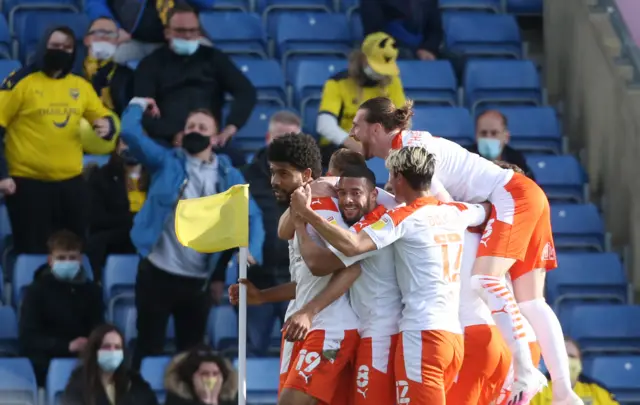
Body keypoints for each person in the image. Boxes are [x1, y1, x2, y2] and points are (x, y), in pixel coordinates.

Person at [349, 96, 578, 405]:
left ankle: (527, 372)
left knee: (484, 280)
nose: (352, 133)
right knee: (533, 301)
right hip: (524, 195)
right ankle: (563, 391)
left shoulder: (409, 152)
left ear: (376, 128)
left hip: (512, 196)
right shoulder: (414, 146)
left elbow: (434, 206)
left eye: (356, 126)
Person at [291, 146, 491, 405]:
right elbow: (486, 209)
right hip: (452, 336)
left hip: (419, 335)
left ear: (398, 177)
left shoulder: (402, 218)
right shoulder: (456, 211)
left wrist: (305, 214)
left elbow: (351, 246)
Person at [119, 97, 264, 369]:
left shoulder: (227, 174)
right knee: (147, 348)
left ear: (215, 136)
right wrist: (138, 105)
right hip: (156, 274)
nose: (195, 131)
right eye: (190, 126)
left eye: (202, 127)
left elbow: (252, 215)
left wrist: (252, 250)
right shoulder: (165, 161)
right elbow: (129, 132)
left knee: (191, 357)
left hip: (198, 282)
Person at [228, 133, 359, 405]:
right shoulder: (300, 206)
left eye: (283, 173)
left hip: (330, 327)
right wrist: (262, 296)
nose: (275, 180)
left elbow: (352, 268)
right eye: (273, 172)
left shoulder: (325, 211)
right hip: (302, 325)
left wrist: (309, 312)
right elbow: (307, 280)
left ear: (307, 174)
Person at [0, 26, 119, 254]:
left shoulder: (80, 86)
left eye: (67, 47)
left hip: (71, 184)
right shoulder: (18, 83)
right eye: (55, 46)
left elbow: (102, 115)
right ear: (43, 46)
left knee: (73, 250)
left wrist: (107, 126)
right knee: (33, 252)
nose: (61, 51)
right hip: (28, 185)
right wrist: (2, 174)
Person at [293, 164, 401, 405]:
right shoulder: (358, 226)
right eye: (342, 193)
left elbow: (318, 264)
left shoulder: (375, 228)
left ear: (374, 194)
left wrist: (303, 219)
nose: (348, 200)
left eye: (356, 193)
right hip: (365, 332)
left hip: (381, 334)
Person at [134, 4, 256, 147]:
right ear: (167, 33)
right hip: (166, 144)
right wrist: (171, 134)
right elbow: (140, 107)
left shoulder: (214, 58)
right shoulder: (150, 64)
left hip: (210, 142)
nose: (187, 36)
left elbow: (246, 91)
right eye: (180, 31)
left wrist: (231, 127)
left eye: (192, 31)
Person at [237, 111, 302, 355]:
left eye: (291, 139)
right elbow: (231, 220)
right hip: (256, 277)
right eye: (279, 138)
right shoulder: (244, 175)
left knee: (300, 353)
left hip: (297, 278)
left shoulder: (311, 177)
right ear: (267, 138)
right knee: (251, 352)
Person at [19, 230, 104, 385]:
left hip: (84, 360)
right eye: (61, 258)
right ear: (50, 261)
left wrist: (90, 343)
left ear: (80, 260)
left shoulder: (92, 291)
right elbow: (28, 337)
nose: (67, 262)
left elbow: (98, 326)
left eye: (72, 258)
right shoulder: (36, 291)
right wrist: (66, 346)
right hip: (46, 362)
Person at [316, 32, 405, 166]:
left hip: (379, 148)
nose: (381, 74)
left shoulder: (393, 82)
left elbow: (401, 122)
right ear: (362, 59)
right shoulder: (337, 82)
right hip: (341, 148)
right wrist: (354, 144)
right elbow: (324, 125)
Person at [86, 138, 148, 277]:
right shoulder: (102, 176)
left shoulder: (157, 176)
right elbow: (96, 218)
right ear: (117, 147)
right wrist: (133, 219)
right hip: (115, 237)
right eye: (126, 142)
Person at [85, 0, 214, 64]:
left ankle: (202, 113)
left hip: (180, 38)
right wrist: (113, 27)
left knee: (206, 54)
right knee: (101, 54)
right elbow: (94, 2)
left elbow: (208, 3)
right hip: (130, 39)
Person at [62, 324, 158, 405]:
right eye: (107, 347)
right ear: (95, 351)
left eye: (117, 347)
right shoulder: (78, 384)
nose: (112, 351)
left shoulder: (134, 381)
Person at [530, 338, 619, 405]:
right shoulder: (535, 392)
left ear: (580, 363)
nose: (566, 360)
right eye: (561, 355)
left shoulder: (597, 390)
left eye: (571, 356)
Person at [83, 17, 135, 116]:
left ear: (118, 41)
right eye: (99, 32)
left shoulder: (127, 76)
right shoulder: (72, 70)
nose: (105, 37)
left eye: (111, 34)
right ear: (87, 40)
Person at [360, 0, 442, 60]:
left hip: (424, 49)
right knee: (407, 56)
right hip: (389, 49)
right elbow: (374, 31)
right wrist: (414, 51)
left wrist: (428, 48)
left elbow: (435, 30)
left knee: (453, 61)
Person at [467, 110, 534, 180]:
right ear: (476, 136)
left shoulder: (518, 161)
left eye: (494, 133)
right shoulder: (467, 160)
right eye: (483, 133)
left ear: (506, 137)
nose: (488, 138)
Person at [164, 345, 238, 405]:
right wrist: (205, 400)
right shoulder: (176, 398)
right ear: (191, 376)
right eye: (205, 373)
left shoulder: (233, 398)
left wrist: (214, 401)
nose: (210, 378)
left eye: (215, 374)